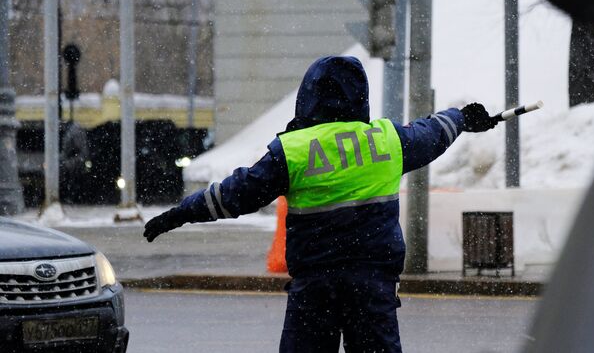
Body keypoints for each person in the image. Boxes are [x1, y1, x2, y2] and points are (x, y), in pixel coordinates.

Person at [143, 56, 497, 352]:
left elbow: (235, 194)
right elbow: (432, 132)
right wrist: (462, 117)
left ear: (309, 95)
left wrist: (180, 213)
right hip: (372, 286)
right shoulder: (388, 141)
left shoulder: (293, 151)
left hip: (315, 289)